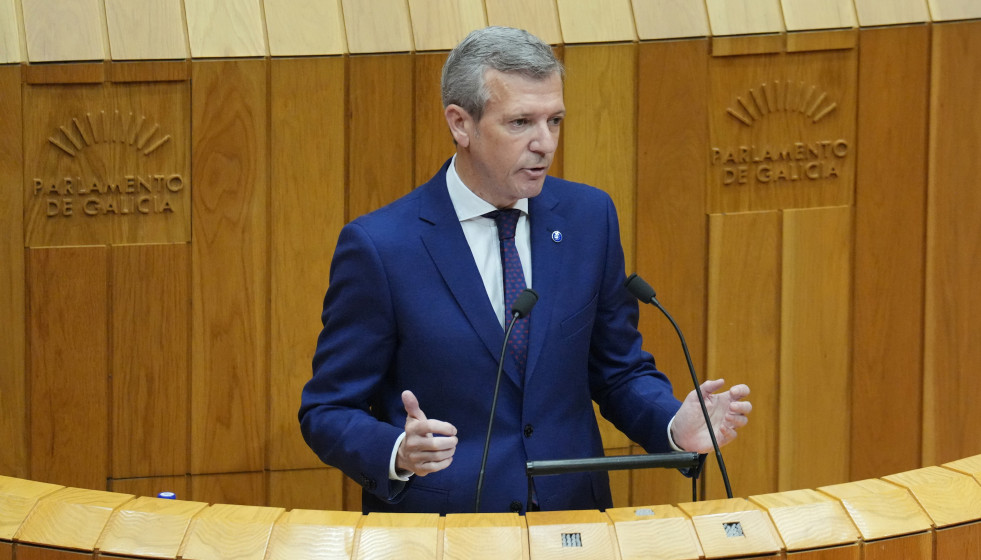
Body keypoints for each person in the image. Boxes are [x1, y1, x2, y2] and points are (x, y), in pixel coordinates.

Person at [299, 26, 751, 515]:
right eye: (520, 123)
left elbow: (618, 371)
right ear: (461, 124)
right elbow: (327, 409)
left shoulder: (588, 218)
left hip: (573, 520)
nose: (544, 143)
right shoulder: (382, 247)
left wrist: (672, 424)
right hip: (446, 530)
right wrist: (398, 452)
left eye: (554, 120)